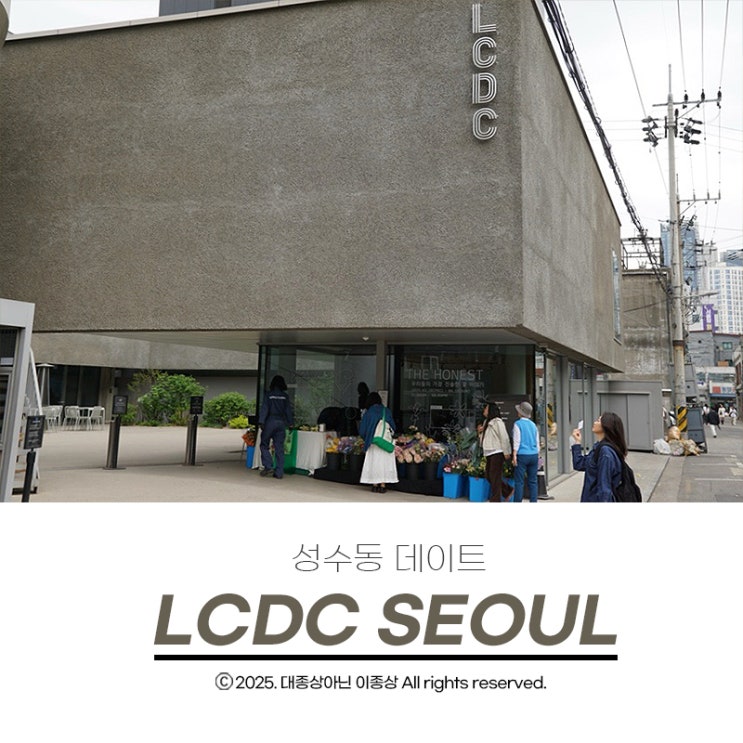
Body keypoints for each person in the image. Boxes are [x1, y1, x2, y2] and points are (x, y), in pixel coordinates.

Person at [570, 412, 626, 502]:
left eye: (598, 421)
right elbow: (579, 464)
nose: (595, 422)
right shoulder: (599, 447)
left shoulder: (605, 452)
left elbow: (605, 488)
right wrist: (577, 442)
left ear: (606, 426)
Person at [358, 391, 398, 493]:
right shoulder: (386, 411)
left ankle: (375, 485)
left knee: (374, 463)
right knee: (384, 463)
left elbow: (362, 430)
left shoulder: (368, 412)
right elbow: (393, 427)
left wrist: (367, 438)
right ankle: (383, 485)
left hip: (373, 441)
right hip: (385, 441)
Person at [258, 374, 294, 479]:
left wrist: (261, 422)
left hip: (270, 421)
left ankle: (268, 465)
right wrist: (290, 423)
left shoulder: (269, 395)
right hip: (281, 423)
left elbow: (265, 408)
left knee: (264, 445)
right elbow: (288, 410)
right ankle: (279, 472)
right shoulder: (285, 396)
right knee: (279, 448)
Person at [478, 399, 512, 502]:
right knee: (489, 475)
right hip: (489, 451)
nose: (484, 410)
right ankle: (507, 491)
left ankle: (496, 499)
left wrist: (506, 451)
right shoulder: (486, 422)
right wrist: (480, 432)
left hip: (497, 451)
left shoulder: (497, 422)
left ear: (490, 410)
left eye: (486, 408)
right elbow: (484, 439)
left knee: (494, 476)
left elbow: (504, 437)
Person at [512, 401, 540, 503]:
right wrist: (537, 454)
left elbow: (517, 441)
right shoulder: (533, 425)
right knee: (533, 481)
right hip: (534, 454)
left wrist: (514, 455)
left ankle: (518, 503)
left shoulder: (517, 424)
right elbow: (537, 442)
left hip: (522, 455)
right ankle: (533, 502)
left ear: (520, 412)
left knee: (519, 482)